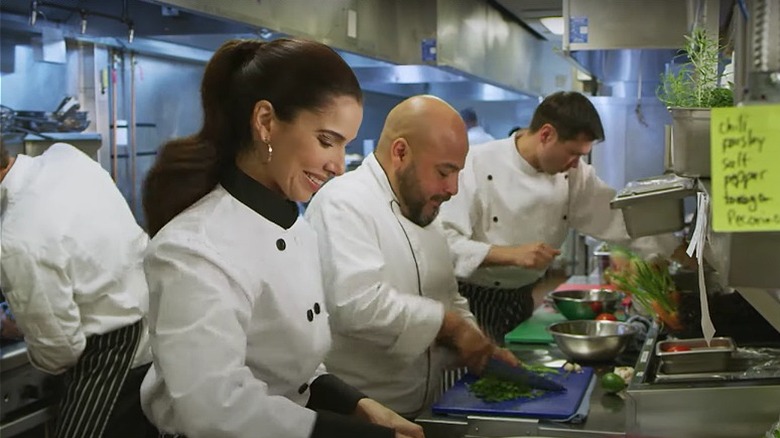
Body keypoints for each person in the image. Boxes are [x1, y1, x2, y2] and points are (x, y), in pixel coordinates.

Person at [140, 38, 422, 438]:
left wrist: (357, 405)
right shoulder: (194, 249)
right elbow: (215, 410)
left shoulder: (295, 226)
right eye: (327, 141)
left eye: (344, 145)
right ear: (266, 122)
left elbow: (289, 368)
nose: (338, 167)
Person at [305, 95, 517, 418]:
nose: (454, 188)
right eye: (444, 172)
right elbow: (356, 305)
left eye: (458, 172)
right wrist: (450, 326)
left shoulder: (423, 209)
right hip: (362, 421)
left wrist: (478, 344)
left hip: (427, 411)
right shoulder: (343, 202)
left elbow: (448, 295)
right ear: (400, 152)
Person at [438, 91, 681, 343]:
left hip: (521, 299)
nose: (576, 164)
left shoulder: (575, 177)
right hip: (470, 302)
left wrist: (677, 251)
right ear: (546, 135)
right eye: (572, 153)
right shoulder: (476, 163)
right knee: (476, 378)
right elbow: (445, 244)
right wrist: (510, 255)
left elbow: (624, 221)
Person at [0, 140, 155, 438]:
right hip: (155, 321)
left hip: (114, 355)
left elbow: (59, 352)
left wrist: (19, 327)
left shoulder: (18, 239)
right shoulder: (65, 156)